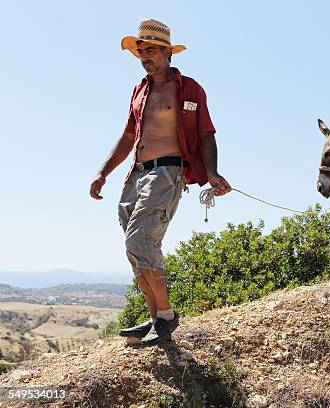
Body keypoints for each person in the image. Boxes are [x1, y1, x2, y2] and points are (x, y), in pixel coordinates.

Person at [89, 19, 231, 345]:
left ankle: (165, 316)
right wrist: (103, 172)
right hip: (136, 174)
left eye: (150, 50)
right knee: (135, 247)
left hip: (167, 172)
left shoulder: (189, 89)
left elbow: (207, 133)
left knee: (139, 240)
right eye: (140, 51)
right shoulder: (139, 90)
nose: (143, 56)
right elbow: (127, 136)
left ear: (167, 52)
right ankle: (155, 318)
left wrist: (212, 172)